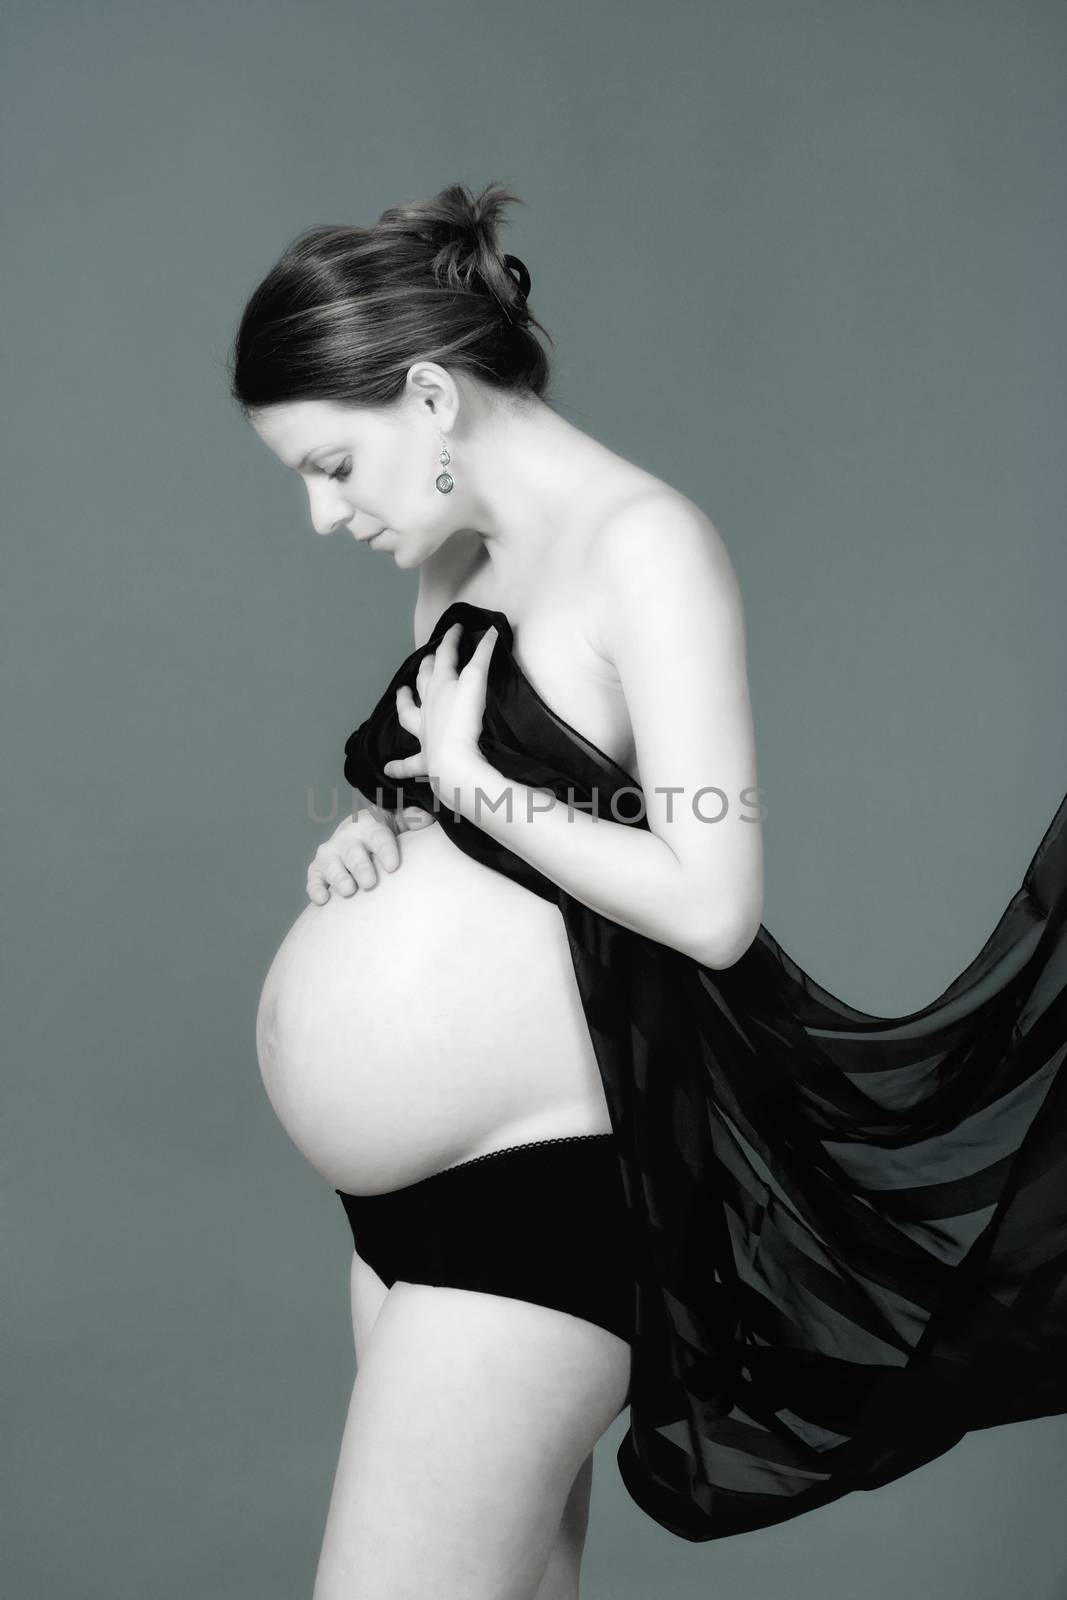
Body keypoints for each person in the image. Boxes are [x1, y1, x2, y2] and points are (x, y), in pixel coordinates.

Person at [229, 180, 1067, 1597]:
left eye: (332, 465)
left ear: (429, 397)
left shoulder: (647, 548)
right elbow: (468, 827)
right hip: (405, 1216)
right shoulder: (456, 562)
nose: (321, 516)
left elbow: (706, 894)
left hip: (538, 1209)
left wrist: (476, 789)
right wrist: (372, 839)